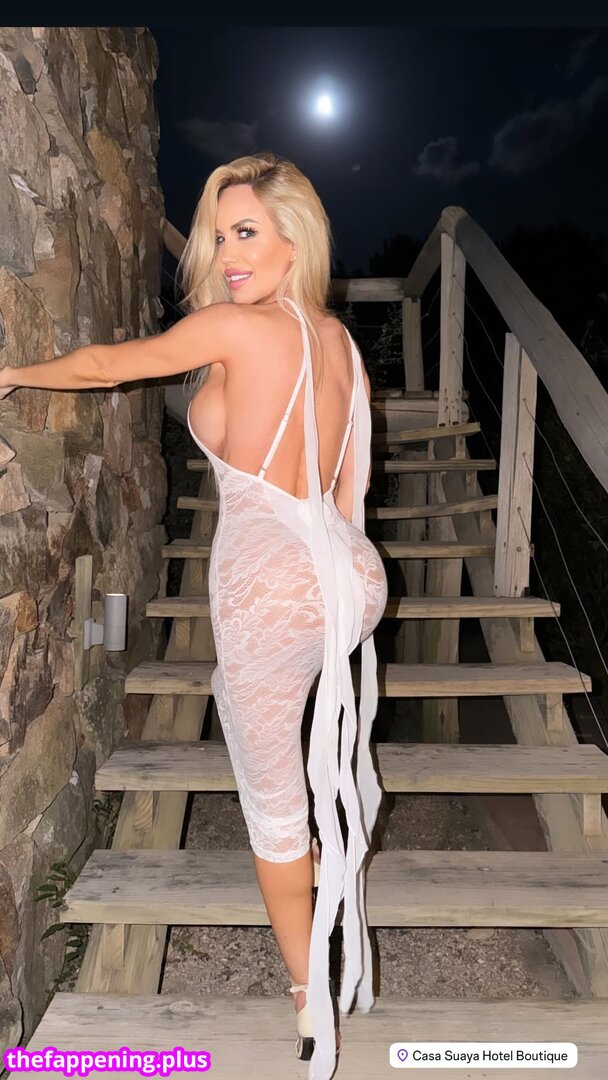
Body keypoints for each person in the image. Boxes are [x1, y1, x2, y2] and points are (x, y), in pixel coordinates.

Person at [0, 151, 388, 1080]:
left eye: (246, 231)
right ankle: (337, 915)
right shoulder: (340, 344)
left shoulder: (234, 328)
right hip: (350, 575)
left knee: (273, 805)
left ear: (296, 238)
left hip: (268, 579)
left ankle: (312, 1004)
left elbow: (107, 366)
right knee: (298, 745)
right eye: (220, 236)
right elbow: (353, 489)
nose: (228, 252)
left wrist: (12, 370)